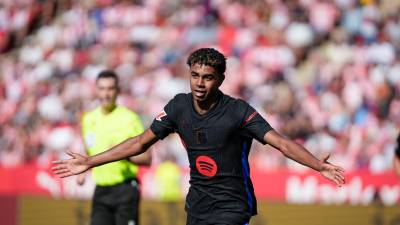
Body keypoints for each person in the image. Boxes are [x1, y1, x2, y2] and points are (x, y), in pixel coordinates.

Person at [53, 48, 345, 225]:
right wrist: (91, 161)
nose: (200, 83)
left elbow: (280, 142)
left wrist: (317, 165)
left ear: (220, 79)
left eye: (207, 77)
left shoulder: (238, 111)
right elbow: (139, 143)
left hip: (232, 206)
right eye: (195, 75)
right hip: (198, 205)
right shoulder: (178, 107)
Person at [78, 70, 151, 225]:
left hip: (125, 189)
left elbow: (147, 158)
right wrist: (84, 169)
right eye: (102, 88)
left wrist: (123, 153)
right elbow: (90, 149)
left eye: (110, 88)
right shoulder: (88, 119)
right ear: (96, 90)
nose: (106, 94)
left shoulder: (129, 119)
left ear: (118, 90)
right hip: (101, 190)